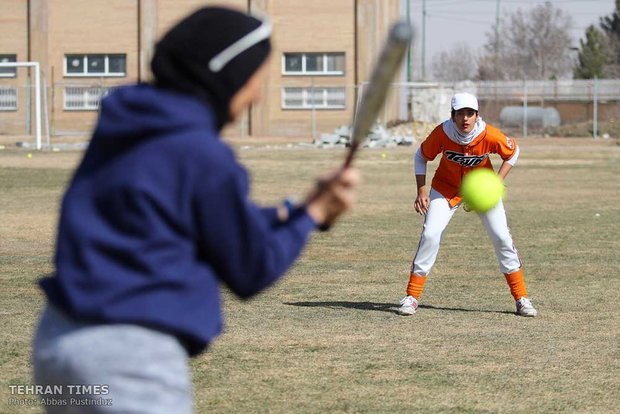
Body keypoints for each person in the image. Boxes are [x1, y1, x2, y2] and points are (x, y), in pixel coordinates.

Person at [32, 7, 359, 413]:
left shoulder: (127, 123)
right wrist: (314, 216)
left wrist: (295, 209)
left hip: (57, 344)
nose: (257, 92)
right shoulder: (202, 155)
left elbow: (199, 221)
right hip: (127, 363)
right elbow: (250, 267)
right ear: (226, 76)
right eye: (257, 76)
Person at [397, 92, 537, 317]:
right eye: (460, 113)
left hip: (481, 192)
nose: (465, 119)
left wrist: (496, 182)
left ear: (477, 115)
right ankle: (411, 296)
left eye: (470, 113)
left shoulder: (488, 134)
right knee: (431, 235)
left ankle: (521, 298)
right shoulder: (443, 133)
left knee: (501, 237)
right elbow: (420, 156)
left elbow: (513, 152)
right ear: (452, 116)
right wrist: (421, 190)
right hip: (446, 189)